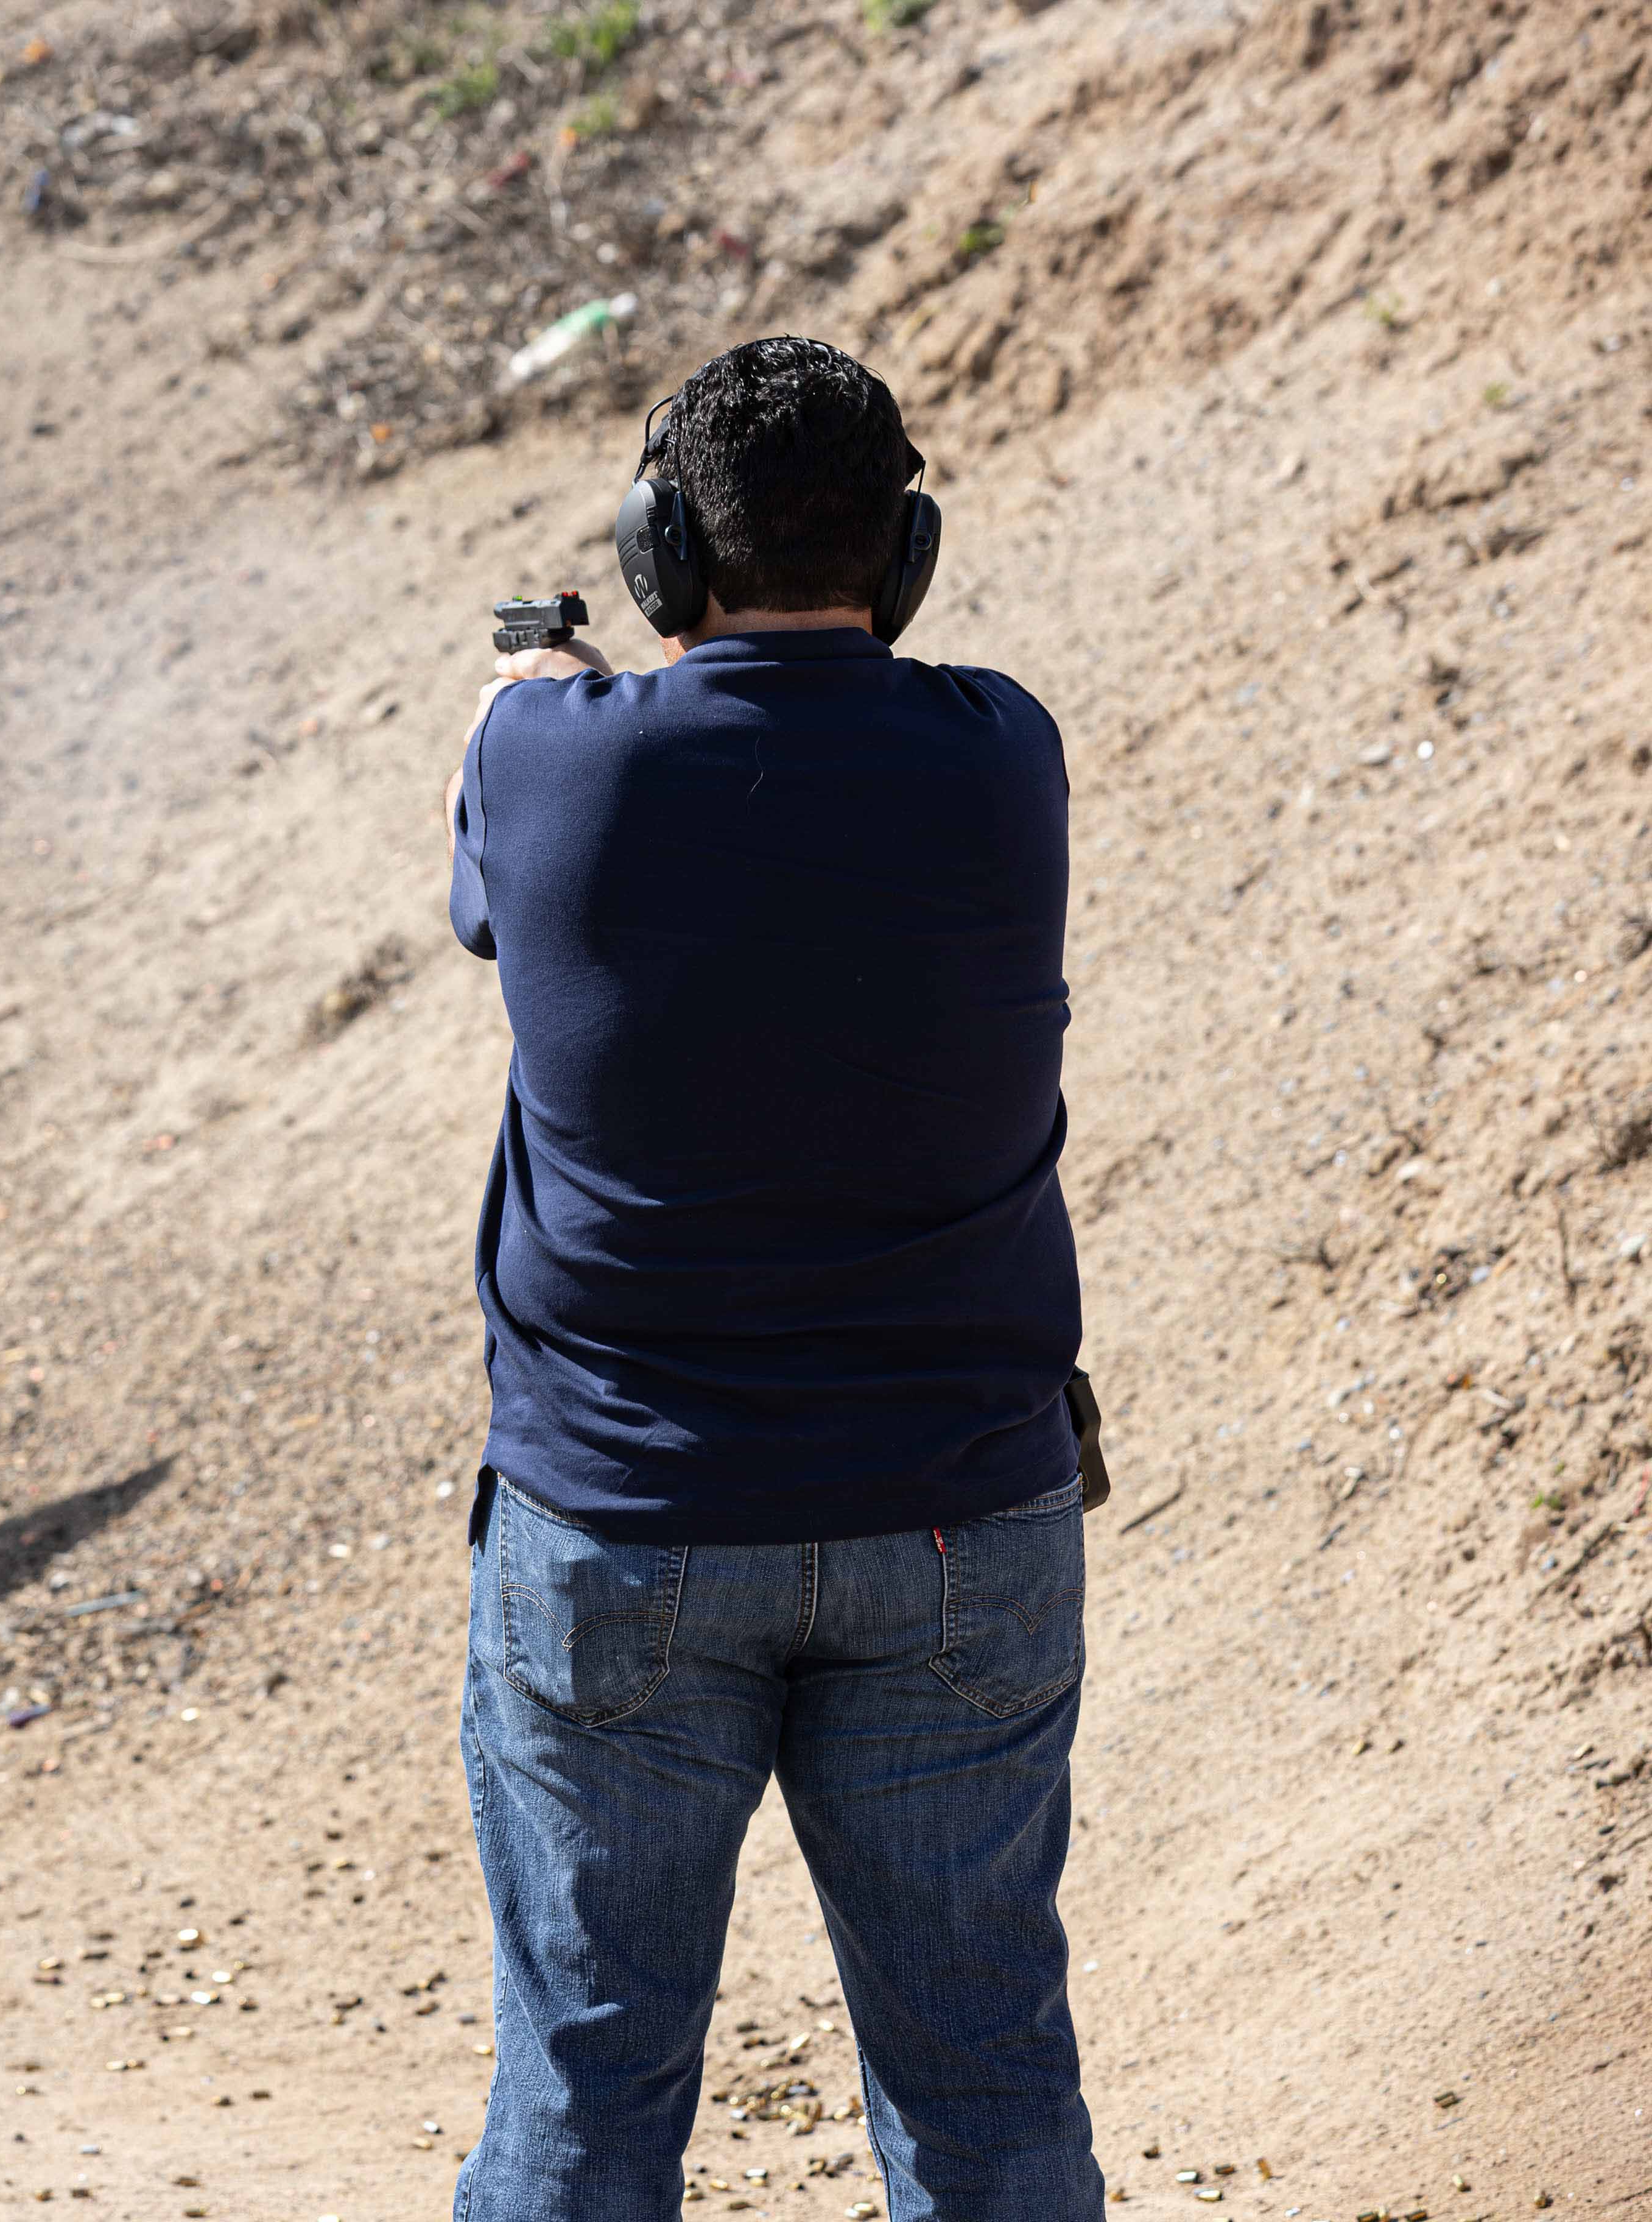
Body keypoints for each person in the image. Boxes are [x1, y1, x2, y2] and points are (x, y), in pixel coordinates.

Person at [440, 336, 1103, 2221]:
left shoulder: (545, 763)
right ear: (907, 556)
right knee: (988, 2091)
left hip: (625, 1522)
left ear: (658, 551)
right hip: (959, 1522)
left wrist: (533, 697)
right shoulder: (1005, 755)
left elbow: (490, 901)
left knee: (584, 2098)